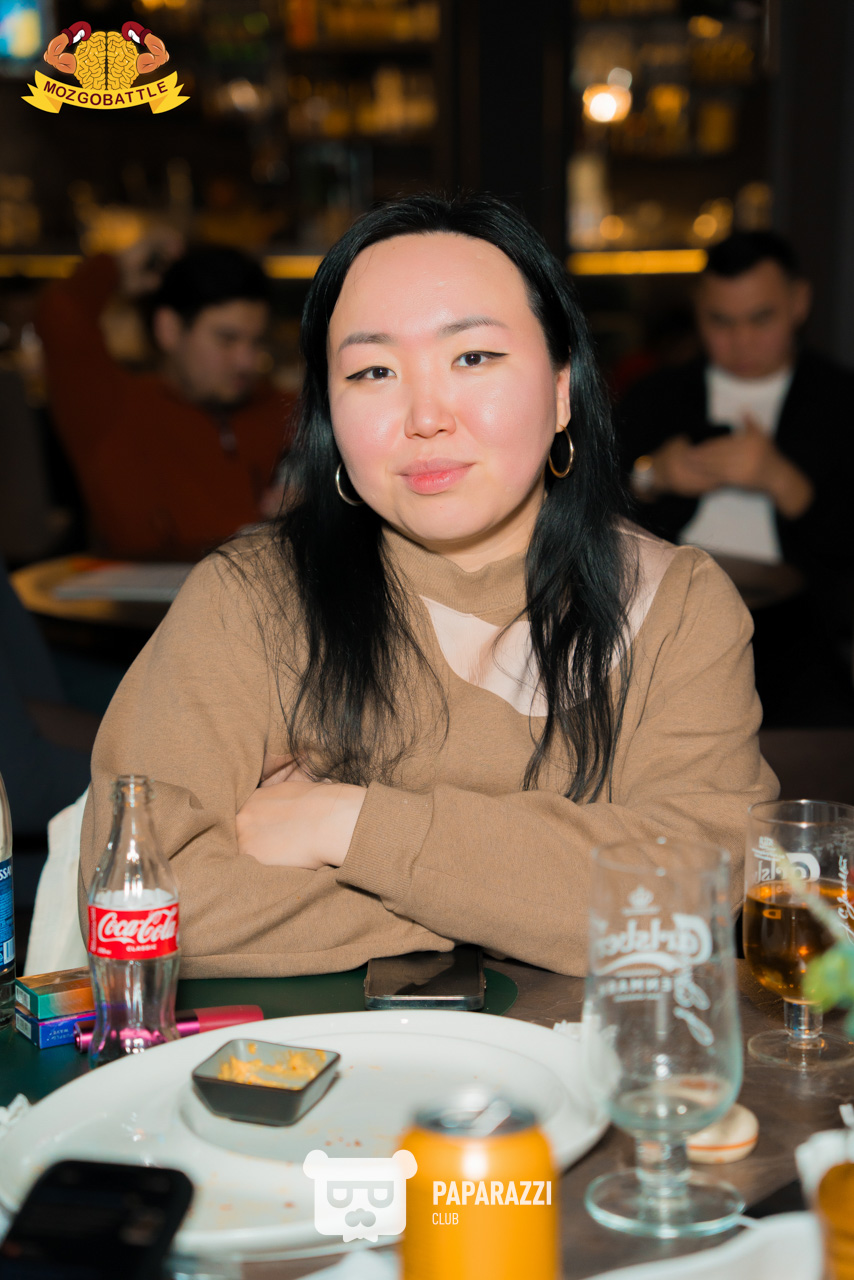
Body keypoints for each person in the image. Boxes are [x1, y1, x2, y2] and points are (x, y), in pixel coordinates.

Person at [78, 194, 776, 977]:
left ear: (560, 389)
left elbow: (694, 893)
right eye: (373, 371)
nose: (425, 416)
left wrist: (344, 824)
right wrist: (531, 903)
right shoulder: (251, 599)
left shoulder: (675, 605)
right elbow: (139, 901)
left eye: (472, 358)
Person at [617, 231, 854, 725]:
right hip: (664, 618)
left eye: (760, 319)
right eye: (720, 322)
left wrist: (782, 481)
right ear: (698, 310)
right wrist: (653, 476)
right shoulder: (655, 397)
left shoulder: (839, 402)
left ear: (799, 303)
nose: (741, 341)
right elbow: (588, 513)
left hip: (798, 629)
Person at [37, 234, 294, 561]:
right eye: (226, 339)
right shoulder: (111, 410)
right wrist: (118, 268)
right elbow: (60, 313)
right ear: (169, 329)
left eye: (256, 341)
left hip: (264, 588)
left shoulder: (286, 409)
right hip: (144, 593)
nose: (248, 361)